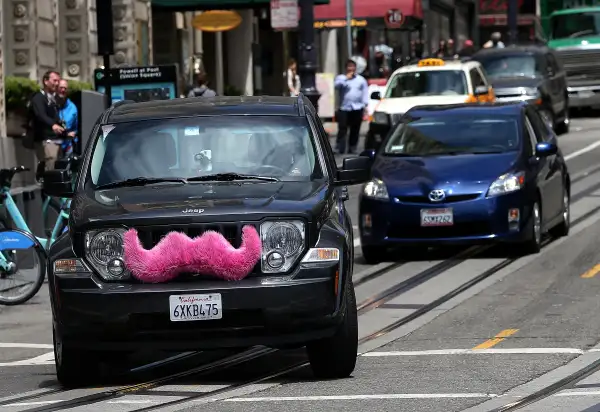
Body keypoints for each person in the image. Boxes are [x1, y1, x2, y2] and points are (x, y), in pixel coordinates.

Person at [25, 70, 64, 173]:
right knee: (50, 168)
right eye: (54, 80)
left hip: (56, 140)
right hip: (45, 140)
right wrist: (53, 125)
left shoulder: (54, 99)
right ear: (46, 81)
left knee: (57, 168)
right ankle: (48, 188)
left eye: (58, 81)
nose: (57, 84)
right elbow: (40, 115)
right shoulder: (38, 98)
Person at [334, 59, 369, 155]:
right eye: (349, 66)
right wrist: (346, 78)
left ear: (355, 68)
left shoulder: (361, 79)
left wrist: (365, 105)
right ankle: (340, 147)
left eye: (352, 66)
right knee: (342, 128)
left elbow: (365, 92)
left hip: (357, 107)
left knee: (355, 128)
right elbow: (336, 86)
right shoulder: (340, 78)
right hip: (344, 108)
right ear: (346, 68)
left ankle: (352, 147)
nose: (351, 68)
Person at [56, 79, 78, 156]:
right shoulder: (50, 105)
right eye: (61, 87)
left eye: (65, 88)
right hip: (53, 145)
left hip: (68, 146)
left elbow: (76, 128)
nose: (63, 90)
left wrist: (73, 134)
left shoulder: (72, 108)